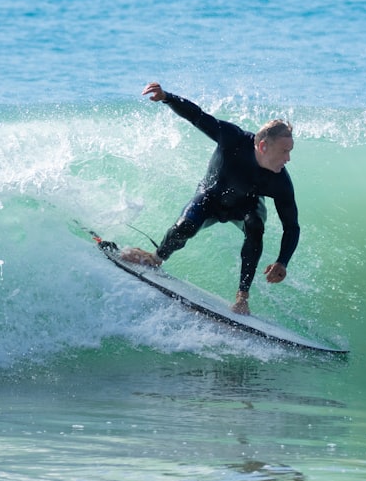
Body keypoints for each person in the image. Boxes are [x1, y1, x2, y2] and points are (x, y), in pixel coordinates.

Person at [120, 82, 300, 315]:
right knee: (185, 225)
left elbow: (292, 226)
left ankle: (242, 297)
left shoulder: (280, 182)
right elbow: (198, 117)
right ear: (264, 146)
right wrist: (167, 97)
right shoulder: (233, 139)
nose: (288, 159)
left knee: (255, 225)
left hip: (246, 206)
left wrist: (282, 261)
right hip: (211, 195)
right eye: (285, 151)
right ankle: (156, 258)